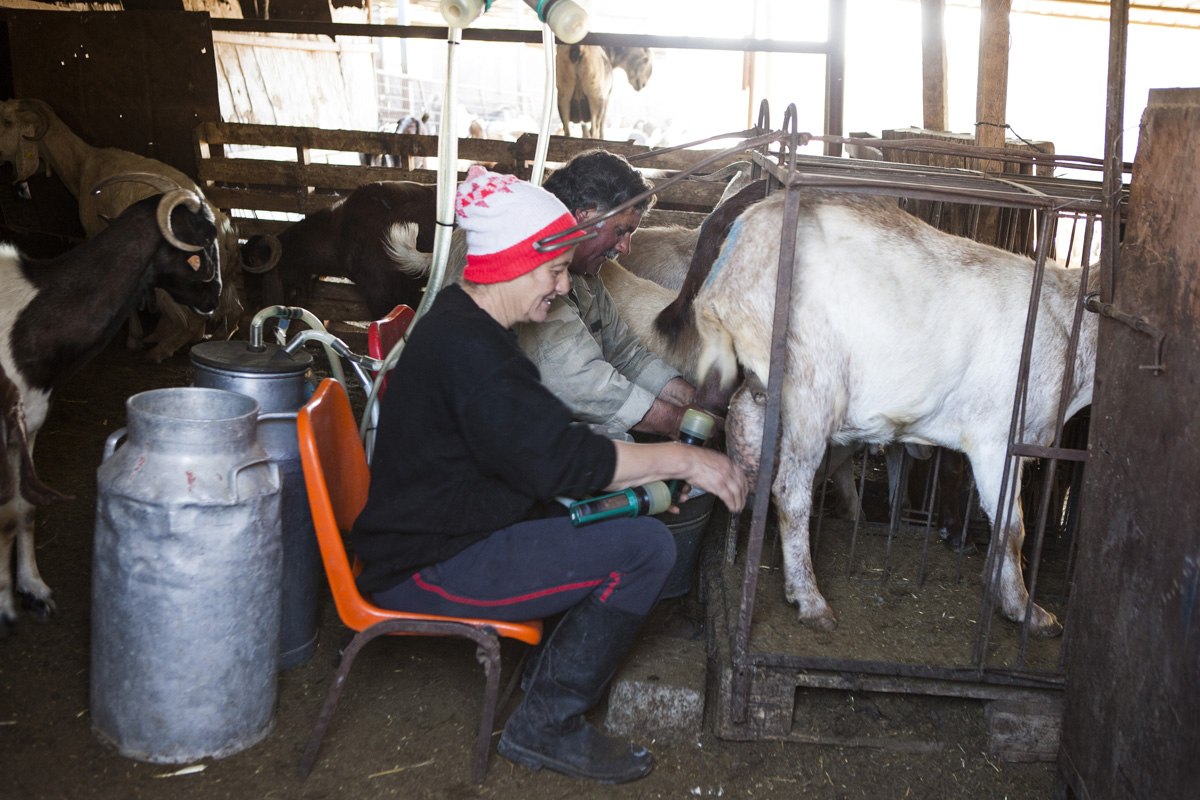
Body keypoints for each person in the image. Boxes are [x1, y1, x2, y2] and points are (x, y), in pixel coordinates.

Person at [352, 166, 748, 784]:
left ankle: (544, 685)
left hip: (456, 524)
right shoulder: (474, 353)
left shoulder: (470, 325)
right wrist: (683, 458)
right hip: (424, 563)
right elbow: (562, 459)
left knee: (637, 517)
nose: (565, 287)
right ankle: (546, 723)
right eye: (555, 271)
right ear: (512, 262)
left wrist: (638, 493)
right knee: (645, 550)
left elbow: (538, 457)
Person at [523, 150, 717, 634]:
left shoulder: (581, 278)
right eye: (623, 232)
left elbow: (626, 353)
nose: (627, 248)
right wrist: (680, 435)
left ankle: (633, 592)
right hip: (524, 447)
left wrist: (691, 402)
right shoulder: (537, 273)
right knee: (655, 475)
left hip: (540, 430)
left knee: (652, 458)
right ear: (586, 217)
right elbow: (583, 383)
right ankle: (607, 601)